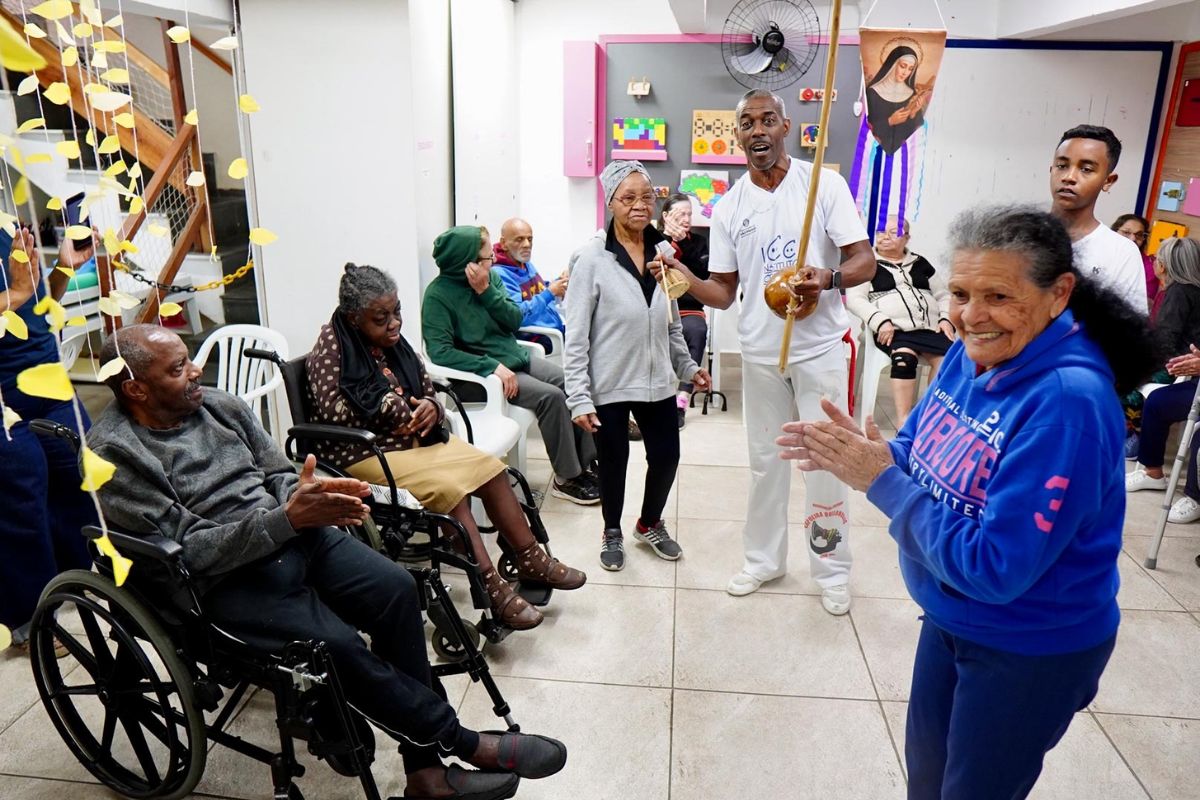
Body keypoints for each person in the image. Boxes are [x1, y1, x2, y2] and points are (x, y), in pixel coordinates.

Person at [89, 324, 569, 800]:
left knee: (398, 589)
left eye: (190, 358)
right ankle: (460, 742)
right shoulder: (113, 452)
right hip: (221, 578)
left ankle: (423, 773)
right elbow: (189, 550)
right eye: (178, 368)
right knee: (337, 646)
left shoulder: (220, 406)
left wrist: (303, 493)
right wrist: (285, 519)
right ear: (136, 388)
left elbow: (276, 471)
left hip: (293, 534)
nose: (196, 371)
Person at [779, 205, 1156, 800]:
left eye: (999, 296)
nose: (971, 316)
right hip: (953, 614)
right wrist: (878, 456)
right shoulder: (972, 349)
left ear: (1059, 294)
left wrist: (882, 481)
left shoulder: (1067, 404)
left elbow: (996, 567)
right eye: (958, 293)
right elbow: (918, 447)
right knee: (927, 780)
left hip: (1028, 643)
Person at [656, 88, 876, 614]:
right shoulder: (730, 206)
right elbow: (724, 294)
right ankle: (763, 561)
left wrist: (829, 278)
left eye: (767, 120)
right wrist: (686, 276)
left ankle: (831, 568)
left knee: (826, 462)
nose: (757, 130)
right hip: (759, 352)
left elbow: (864, 261)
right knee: (765, 463)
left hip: (819, 348)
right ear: (737, 136)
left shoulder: (823, 183)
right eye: (747, 123)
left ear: (785, 126)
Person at [306, 264, 586, 630]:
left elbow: (426, 387)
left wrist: (432, 407)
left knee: (490, 469)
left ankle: (530, 557)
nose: (394, 324)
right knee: (451, 492)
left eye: (397, 312)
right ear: (354, 317)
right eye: (381, 317)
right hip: (365, 454)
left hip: (415, 442)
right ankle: (491, 588)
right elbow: (334, 412)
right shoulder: (331, 351)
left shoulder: (393, 344)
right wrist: (396, 408)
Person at [564, 162, 712, 572]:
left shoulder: (664, 253)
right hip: (609, 380)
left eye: (646, 196)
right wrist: (579, 397)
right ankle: (611, 530)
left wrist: (687, 366)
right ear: (610, 202)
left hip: (658, 381)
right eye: (628, 198)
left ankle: (649, 523)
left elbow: (672, 321)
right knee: (613, 462)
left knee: (666, 456)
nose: (639, 205)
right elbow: (575, 335)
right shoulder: (591, 259)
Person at [422, 225, 599, 505]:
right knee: (551, 398)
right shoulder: (437, 296)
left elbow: (513, 320)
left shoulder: (490, 279)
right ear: (465, 263)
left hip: (514, 358)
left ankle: (586, 463)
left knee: (570, 382)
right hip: (477, 379)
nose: (491, 261)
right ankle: (567, 478)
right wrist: (489, 366)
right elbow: (440, 352)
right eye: (485, 257)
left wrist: (485, 292)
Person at [0, 226, 99, 654]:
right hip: (3, 394)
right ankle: (29, 620)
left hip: (47, 379)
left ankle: (73, 579)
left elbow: (40, 303)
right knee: (21, 495)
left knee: (80, 469)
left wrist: (62, 268)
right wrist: (18, 293)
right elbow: (20, 296)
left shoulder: (6, 224)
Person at [846, 215, 955, 425]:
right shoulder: (866, 264)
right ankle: (904, 421)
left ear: (906, 238)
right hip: (893, 330)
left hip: (929, 328)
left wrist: (945, 319)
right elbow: (855, 300)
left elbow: (943, 295)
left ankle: (929, 415)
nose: (885, 237)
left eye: (893, 233)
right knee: (904, 359)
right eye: (880, 232)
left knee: (949, 362)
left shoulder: (920, 263)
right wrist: (880, 321)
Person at [1125, 238, 1200, 510]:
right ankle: (1148, 466)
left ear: (1164, 265)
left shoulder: (1180, 292)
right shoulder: (1183, 290)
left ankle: (1130, 446)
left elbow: (1165, 342)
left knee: (1124, 383)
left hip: (1175, 367)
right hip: (1183, 367)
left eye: (1157, 258)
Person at [1050, 124, 1147, 313]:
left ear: (1108, 181)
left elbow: (1130, 332)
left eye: (1086, 169)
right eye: (1062, 166)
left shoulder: (1122, 253)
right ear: (1051, 169)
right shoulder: (1017, 235)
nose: (1069, 177)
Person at [660, 193, 711, 428]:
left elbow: (703, 275)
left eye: (689, 214)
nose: (686, 219)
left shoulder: (699, 243)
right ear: (666, 216)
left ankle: (681, 399)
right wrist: (669, 243)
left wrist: (685, 245)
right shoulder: (653, 240)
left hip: (690, 308)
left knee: (697, 331)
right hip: (658, 309)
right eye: (681, 214)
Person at [491, 218, 567, 354]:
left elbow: (538, 291)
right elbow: (518, 316)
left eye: (530, 239)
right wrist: (550, 293)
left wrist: (559, 283)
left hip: (554, 330)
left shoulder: (524, 263)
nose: (527, 244)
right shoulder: (499, 274)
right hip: (535, 338)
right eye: (519, 239)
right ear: (504, 243)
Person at [865, 46, 930, 154]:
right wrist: (890, 121)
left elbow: (914, 135)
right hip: (875, 153)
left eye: (910, 69)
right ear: (893, 64)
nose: (905, 72)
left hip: (902, 156)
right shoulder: (873, 92)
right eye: (903, 66)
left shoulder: (911, 94)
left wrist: (913, 114)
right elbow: (866, 130)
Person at [1113, 213, 1160, 309]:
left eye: (1139, 235)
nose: (1133, 238)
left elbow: (1145, 304)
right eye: (1126, 232)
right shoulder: (1100, 253)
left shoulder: (1150, 266)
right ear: (1114, 232)